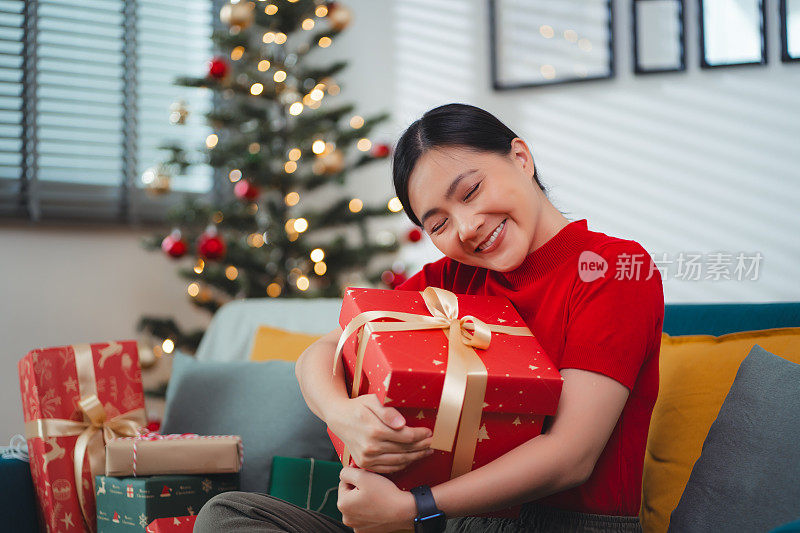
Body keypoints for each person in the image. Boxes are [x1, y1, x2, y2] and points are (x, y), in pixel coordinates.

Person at [195, 103, 664, 533]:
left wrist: (412, 507)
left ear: (521, 157)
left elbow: (571, 457)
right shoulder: (450, 280)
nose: (467, 226)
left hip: (553, 526)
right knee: (227, 516)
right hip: (443, 523)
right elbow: (322, 352)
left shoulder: (612, 269)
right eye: (437, 223)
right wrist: (344, 415)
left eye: (471, 191)